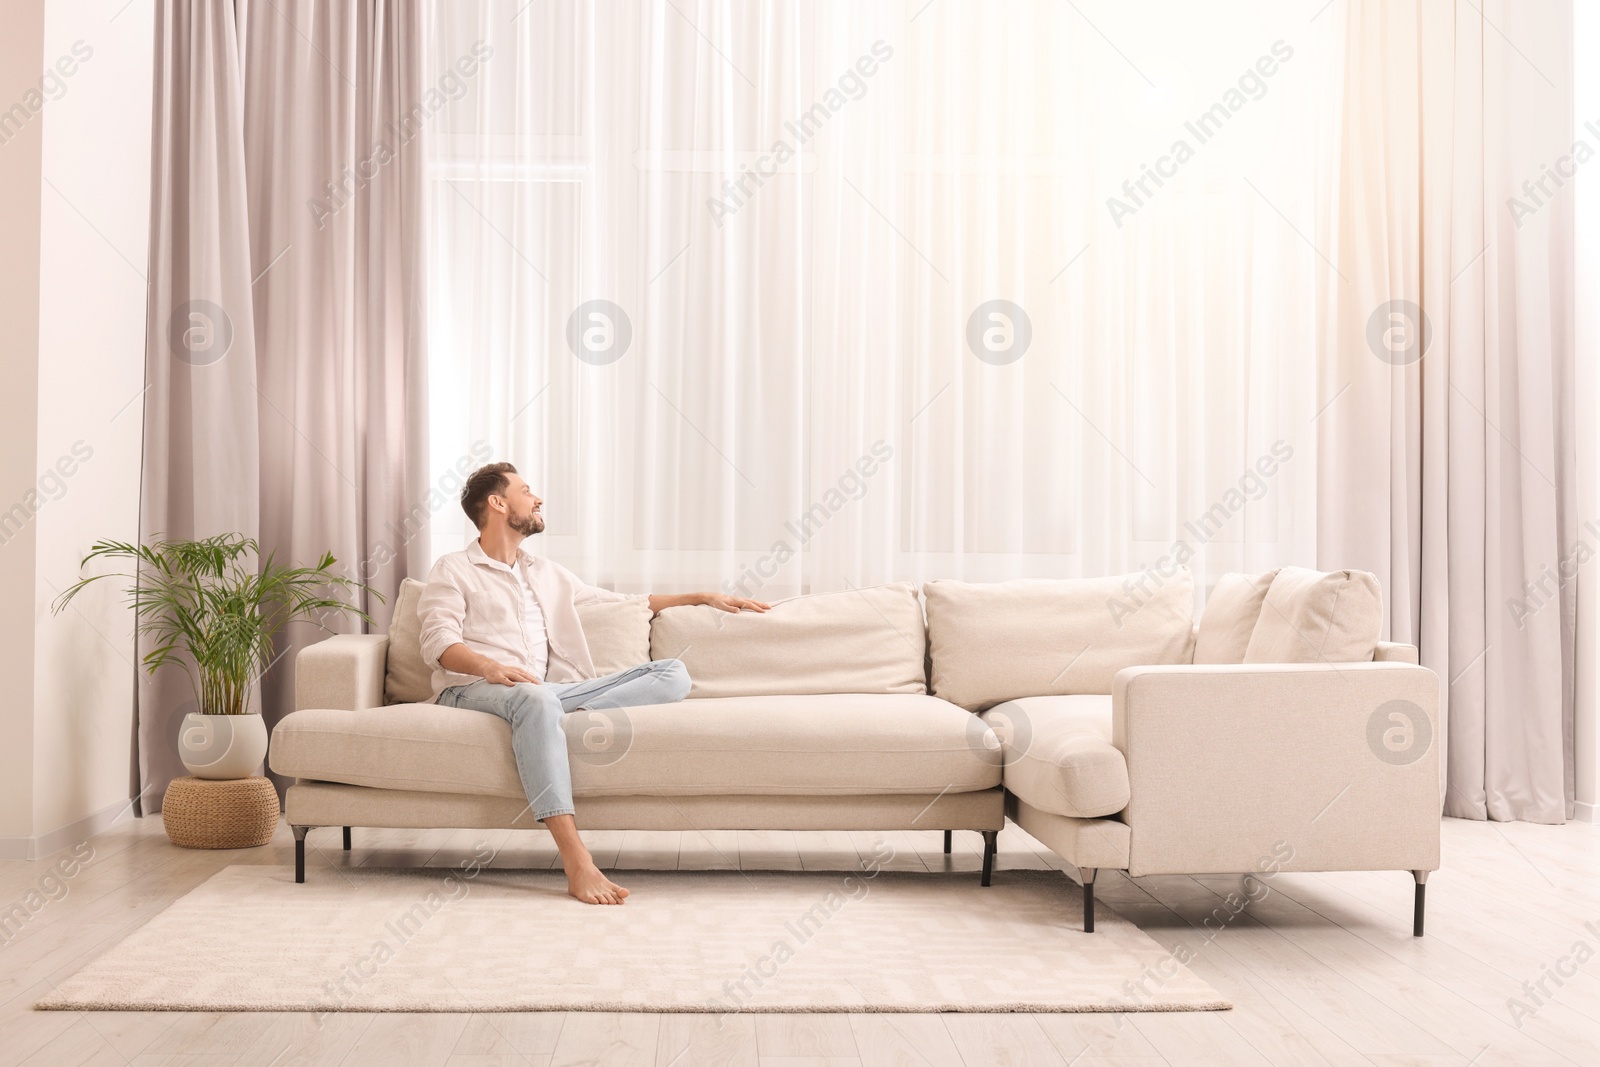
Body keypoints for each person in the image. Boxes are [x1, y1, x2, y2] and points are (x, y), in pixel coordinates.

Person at [417, 462, 769, 904]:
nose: (538, 499)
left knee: (672, 674)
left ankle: (548, 719)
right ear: (498, 503)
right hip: (469, 691)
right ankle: (577, 860)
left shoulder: (546, 572)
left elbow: (623, 602)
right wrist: (488, 666)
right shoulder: (453, 569)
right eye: (527, 491)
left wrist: (700, 596)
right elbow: (438, 640)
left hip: (541, 694)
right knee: (532, 697)